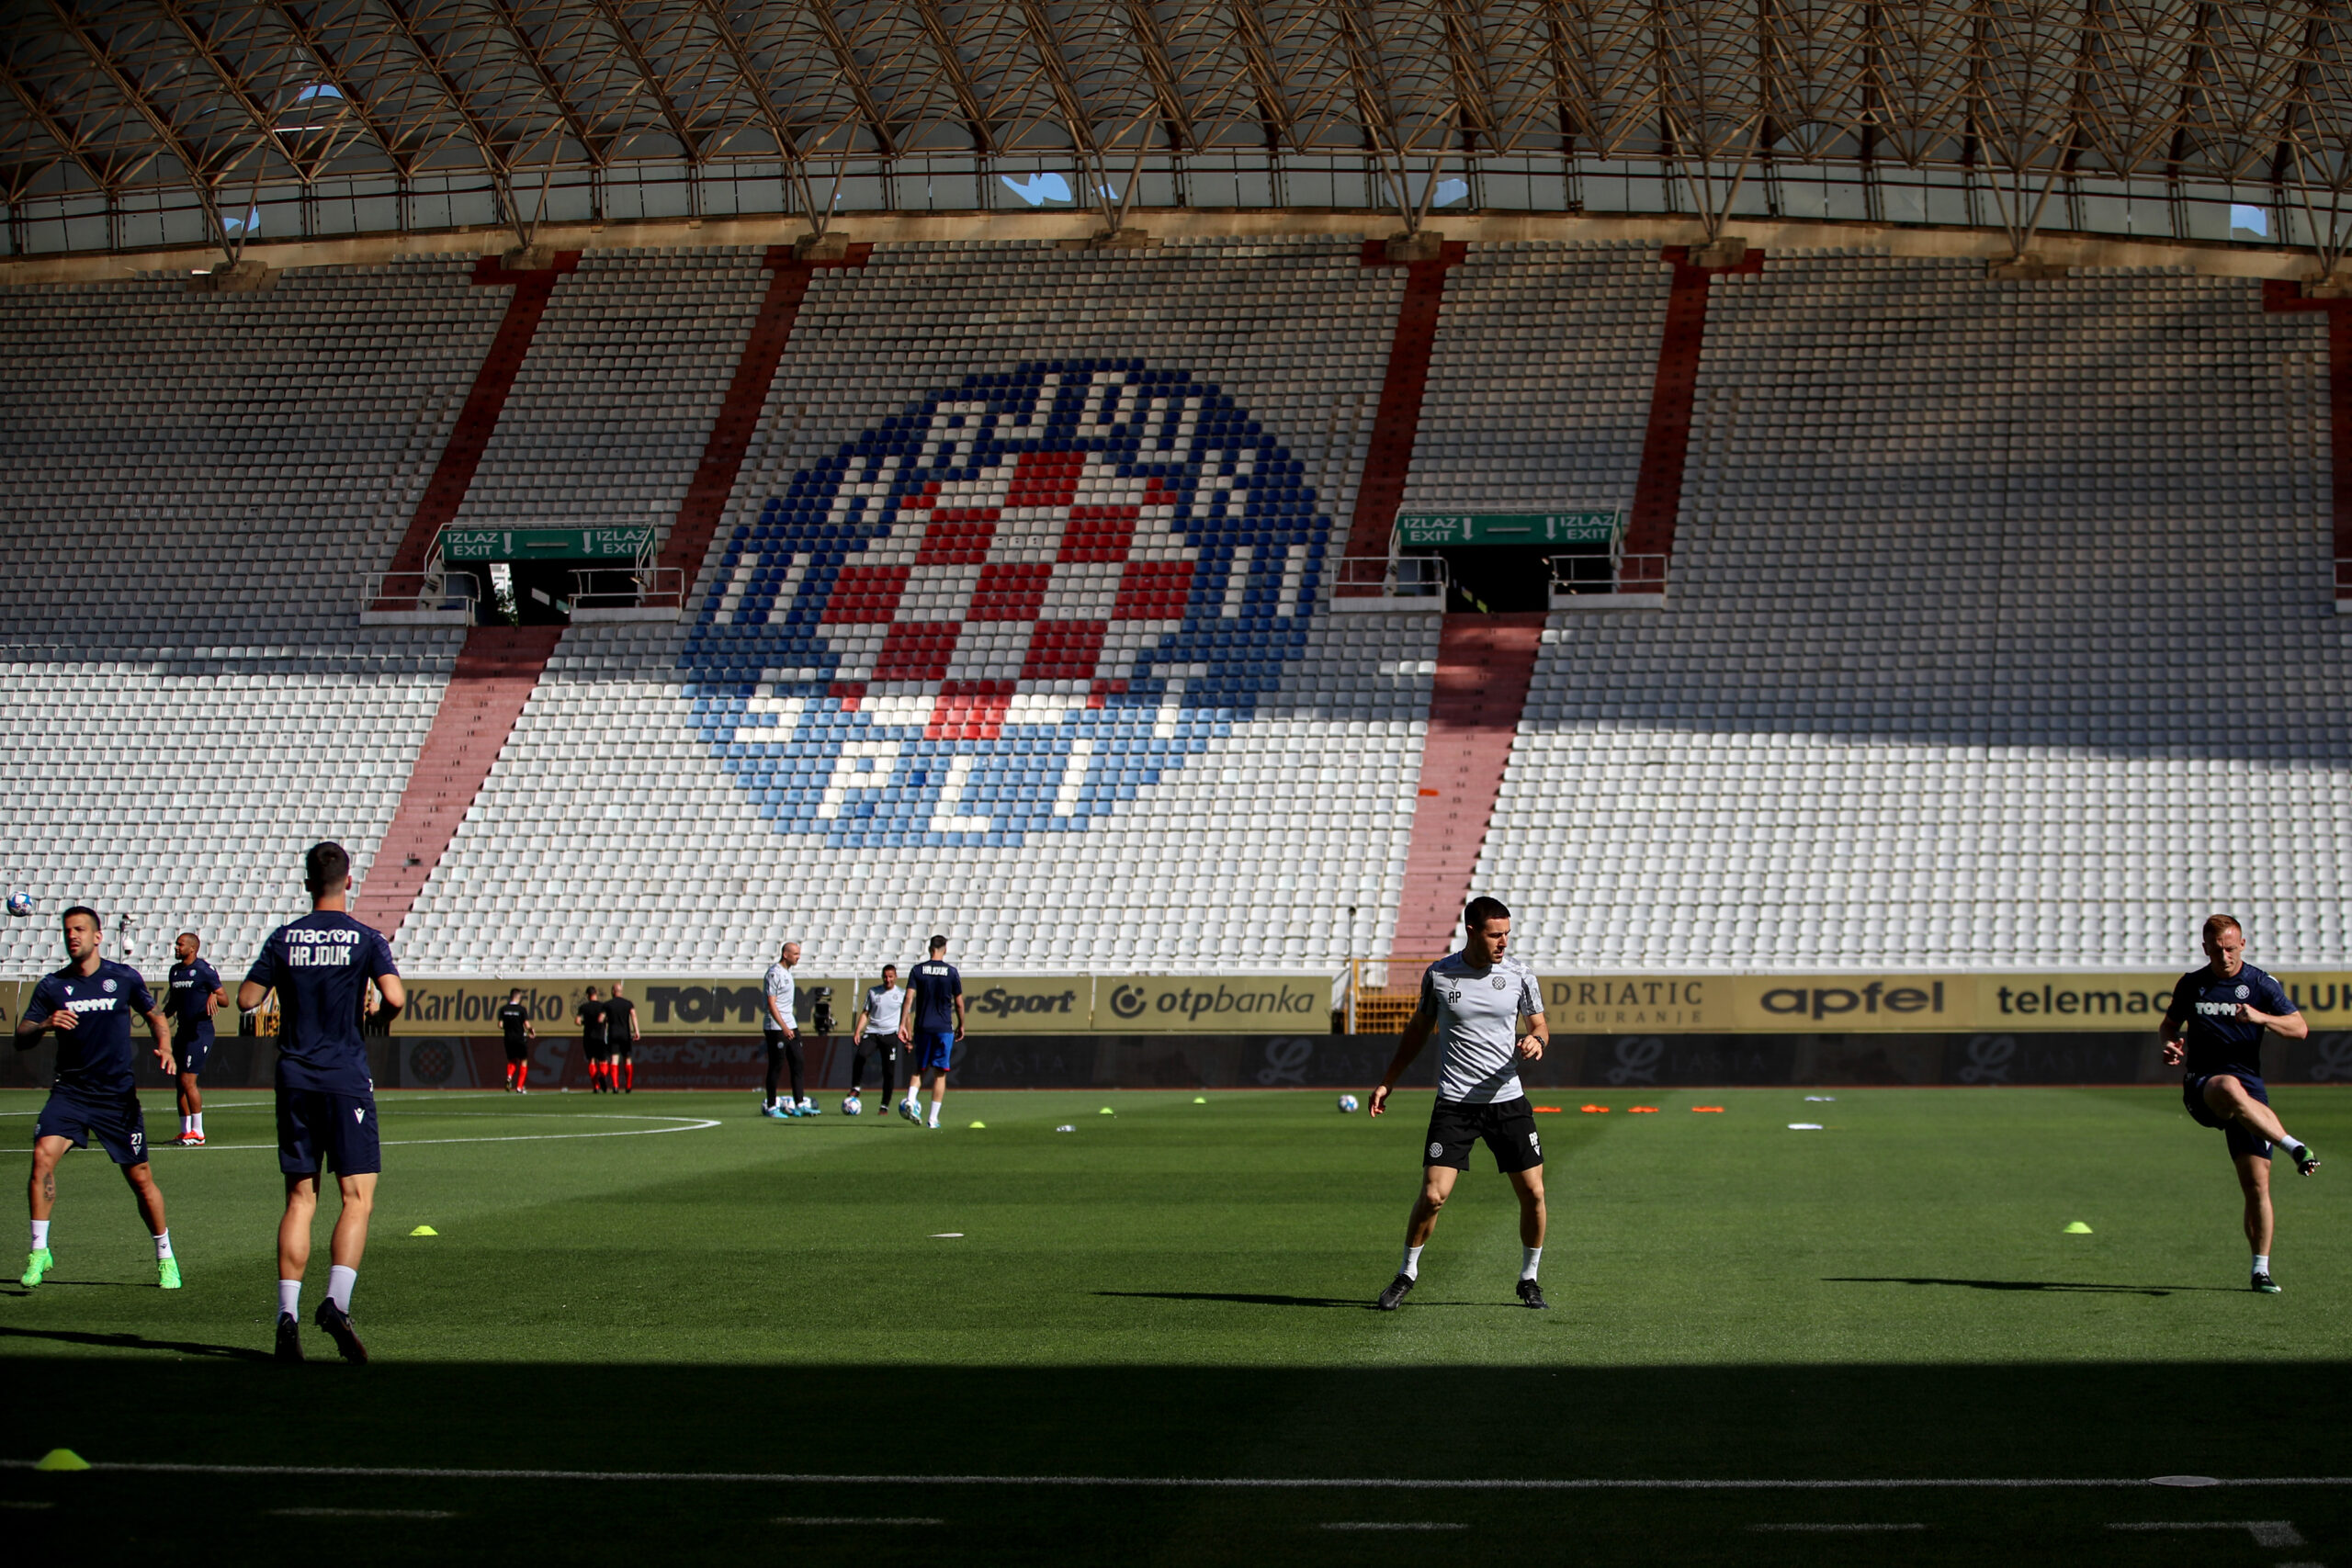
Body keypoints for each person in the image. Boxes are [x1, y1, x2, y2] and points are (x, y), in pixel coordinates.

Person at [239, 842, 402, 1362]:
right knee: (356, 1198)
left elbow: (246, 1000)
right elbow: (395, 999)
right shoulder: (365, 938)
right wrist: (377, 1009)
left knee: (300, 1199)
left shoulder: (284, 938)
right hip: (345, 1077)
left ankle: (287, 1315)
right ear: (347, 881)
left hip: (294, 1078)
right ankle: (335, 1304)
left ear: (308, 883)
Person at [1366, 896, 1551, 1312]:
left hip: (1508, 1101)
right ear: (1471, 931)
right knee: (1433, 1196)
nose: (1504, 942)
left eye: (1507, 934)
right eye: (1495, 935)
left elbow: (1539, 1024)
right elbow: (1417, 1031)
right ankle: (1406, 1274)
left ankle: (1529, 1278)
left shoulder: (1520, 974)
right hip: (1455, 1104)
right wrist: (1387, 1081)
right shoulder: (1440, 976)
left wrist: (1537, 1040)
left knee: (1534, 1194)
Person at [14, 906, 178, 1289]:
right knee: (42, 1158)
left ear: (98, 937)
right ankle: (40, 1250)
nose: (73, 936)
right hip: (70, 1093)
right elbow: (22, 1036)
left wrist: (166, 1047)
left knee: (140, 1179)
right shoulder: (53, 986)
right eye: (68, 930)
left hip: (116, 1097)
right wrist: (45, 1023)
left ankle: (165, 1255)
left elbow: (155, 1015)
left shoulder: (122, 978)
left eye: (80, 929)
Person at [2160, 913, 2320, 1292]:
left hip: (2251, 1090)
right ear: (2205, 949)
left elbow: (2299, 1029)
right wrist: (2168, 1043)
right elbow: (2169, 1024)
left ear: (2243, 945)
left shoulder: (2261, 984)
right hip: (2204, 1085)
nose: (2225, 956)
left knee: (2257, 1185)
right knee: (2229, 1087)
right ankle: (2293, 1145)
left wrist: (2261, 1017)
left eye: (2231, 948)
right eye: (2217, 950)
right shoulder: (2193, 984)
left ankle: (2260, 1270)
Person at [164, 931, 225, 1145]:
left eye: (180, 944)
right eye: (176, 944)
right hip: (183, 1031)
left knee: (188, 1080)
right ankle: (185, 1131)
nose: (176, 948)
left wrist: (214, 994)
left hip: (200, 1033)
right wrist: (159, 1019)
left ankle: (198, 1132)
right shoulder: (175, 972)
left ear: (192, 948)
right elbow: (172, 1004)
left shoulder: (203, 970)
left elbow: (225, 998)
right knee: (180, 1083)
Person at [897, 936, 964, 1130]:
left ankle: (910, 1099)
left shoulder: (918, 970)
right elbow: (959, 1002)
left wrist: (903, 1023)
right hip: (943, 1028)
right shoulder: (951, 972)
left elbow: (909, 998)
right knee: (940, 1073)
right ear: (945, 949)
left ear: (929, 949)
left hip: (923, 1027)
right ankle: (932, 1119)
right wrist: (962, 1025)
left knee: (920, 1067)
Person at [846, 964, 903, 1116]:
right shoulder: (873, 991)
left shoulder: (901, 994)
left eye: (891, 976)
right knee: (861, 1055)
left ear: (895, 977)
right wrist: (858, 1031)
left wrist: (907, 1035)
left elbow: (906, 1018)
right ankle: (856, 1087)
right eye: (885, 976)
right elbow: (865, 1013)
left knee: (888, 1072)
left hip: (890, 1034)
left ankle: (884, 1106)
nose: (888, 979)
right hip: (873, 1032)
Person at [762, 942, 806, 1118]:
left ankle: (800, 1103)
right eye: (795, 954)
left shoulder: (787, 972)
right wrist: (784, 1027)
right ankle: (771, 1107)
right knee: (776, 1065)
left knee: (798, 1061)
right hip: (776, 1027)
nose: (798, 957)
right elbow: (771, 1004)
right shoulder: (774, 973)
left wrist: (790, 1026)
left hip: (790, 1023)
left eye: (799, 954)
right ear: (785, 954)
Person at [497, 988, 535, 1092]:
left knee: (512, 1060)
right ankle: (519, 1087)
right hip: (519, 1038)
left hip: (508, 1038)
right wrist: (531, 1031)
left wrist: (509, 1026)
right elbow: (527, 1025)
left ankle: (509, 1076)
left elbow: (500, 1025)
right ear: (519, 997)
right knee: (523, 1060)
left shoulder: (503, 1009)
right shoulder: (521, 1009)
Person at [605, 981, 639, 1094]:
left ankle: (615, 1086)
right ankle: (628, 1086)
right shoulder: (628, 1003)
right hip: (625, 1034)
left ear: (613, 992)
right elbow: (633, 1015)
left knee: (614, 1059)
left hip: (613, 1033)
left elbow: (602, 1019)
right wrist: (637, 1031)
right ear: (621, 991)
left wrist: (604, 1031)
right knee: (627, 1059)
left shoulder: (608, 1004)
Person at [577, 985, 608, 1092]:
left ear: (587, 995)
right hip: (600, 1036)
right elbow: (605, 1019)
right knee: (603, 1060)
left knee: (592, 1060)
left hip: (588, 1037)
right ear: (596, 994)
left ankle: (595, 1086)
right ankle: (603, 1076)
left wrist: (585, 1022)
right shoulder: (603, 1006)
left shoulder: (583, 1007)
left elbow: (577, 1021)